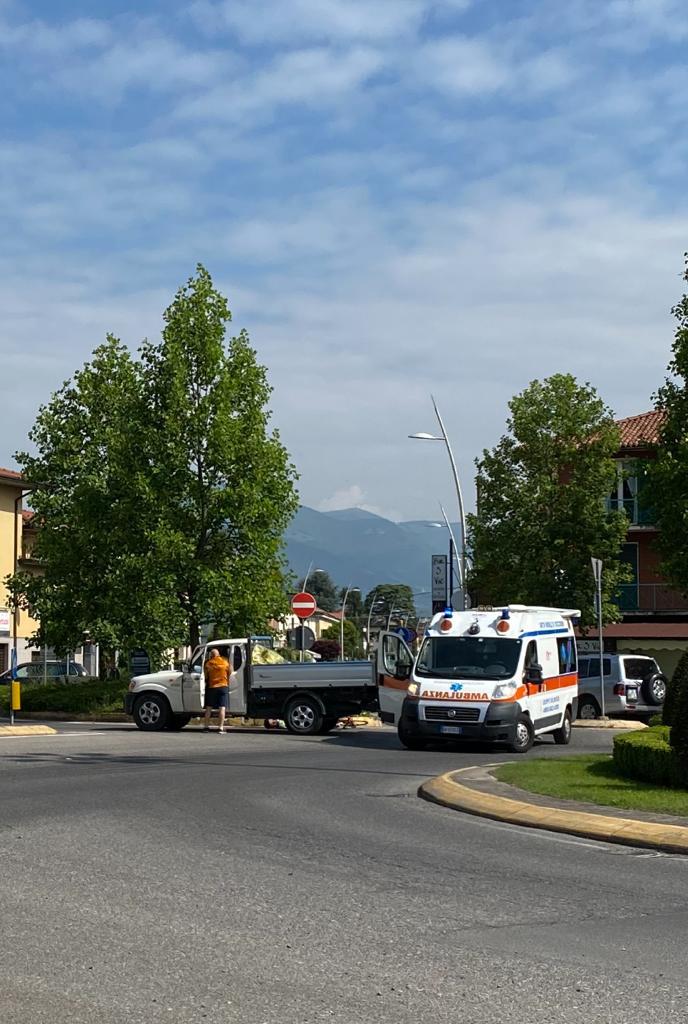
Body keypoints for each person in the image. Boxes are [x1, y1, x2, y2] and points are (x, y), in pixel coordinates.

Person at [203, 648, 230, 733]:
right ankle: (220, 728)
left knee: (208, 707)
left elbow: (206, 676)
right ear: (218, 654)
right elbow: (229, 672)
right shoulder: (225, 662)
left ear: (211, 655)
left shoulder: (208, 664)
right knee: (222, 707)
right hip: (223, 686)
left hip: (212, 687)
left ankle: (206, 727)